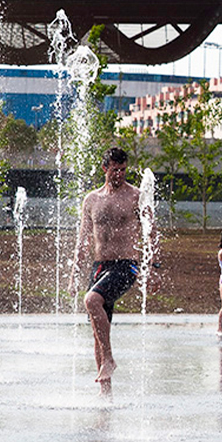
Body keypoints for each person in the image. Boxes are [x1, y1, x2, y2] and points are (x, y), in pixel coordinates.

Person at [76, 147, 157, 384]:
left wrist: (153, 268)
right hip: (99, 266)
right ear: (105, 168)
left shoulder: (136, 196)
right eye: (115, 170)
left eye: (123, 170)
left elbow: (151, 233)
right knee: (98, 332)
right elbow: (83, 238)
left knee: (91, 300)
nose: (119, 175)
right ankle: (105, 393)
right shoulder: (91, 200)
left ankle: (109, 359)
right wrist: (74, 273)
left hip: (126, 265)